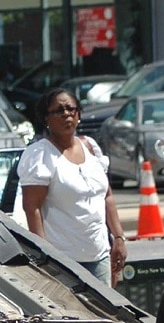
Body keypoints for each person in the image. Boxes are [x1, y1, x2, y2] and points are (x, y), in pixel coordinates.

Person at [17, 87, 127, 285]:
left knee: (106, 314)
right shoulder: (40, 155)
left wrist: (118, 238)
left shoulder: (91, 147)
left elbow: (107, 196)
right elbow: (31, 208)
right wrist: (45, 256)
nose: (66, 114)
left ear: (79, 115)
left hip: (99, 256)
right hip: (63, 261)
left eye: (71, 109)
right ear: (46, 119)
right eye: (59, 110)